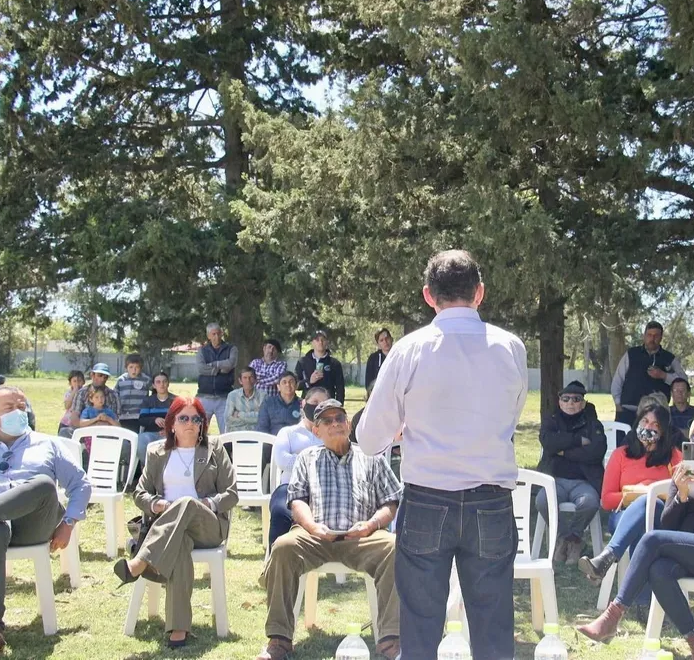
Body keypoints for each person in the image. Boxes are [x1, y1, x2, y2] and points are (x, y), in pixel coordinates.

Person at [357, 249, 528, 660]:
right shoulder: (511, 347)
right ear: (479, 293)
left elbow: (369, 439)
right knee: (494, 626)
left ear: (428, 295)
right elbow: (512, 412)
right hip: (491, 499)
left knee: (420, 628)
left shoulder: (409, 349)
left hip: (428, 497)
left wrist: (401, 428)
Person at [577, 410, 694, 660]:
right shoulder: (683, 471)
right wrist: (682, 495)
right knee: (659, 570)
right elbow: (668, 523)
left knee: (652, 539)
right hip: (691, 549)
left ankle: (612, 616)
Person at [0, 386, 91, 656]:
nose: (19, 412)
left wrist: (69, 523)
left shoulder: (49, 444)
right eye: (10, 408)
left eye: (22, 406)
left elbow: (80, 485)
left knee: (44, 485)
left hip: (33, 525)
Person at [256, 399, 401, 660]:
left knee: (393, 547)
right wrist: (312, 526)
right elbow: (297, 499)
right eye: (327, 420)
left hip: (361, 537)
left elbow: (391, 501)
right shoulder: (307, 458)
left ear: (348, 424)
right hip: (315, 535)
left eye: (339, 419)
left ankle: (390, 641)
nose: (335, 424)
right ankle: (279, 641)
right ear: (316, 430)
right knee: (283, 547)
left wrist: (371, 525)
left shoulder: (371, 456)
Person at [118, 396, 238, 649]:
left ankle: (140, 562)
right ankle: (178, 628)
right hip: (169, 530)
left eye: (197, 418)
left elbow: (231, 493)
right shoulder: (156, 452)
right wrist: (159, 505)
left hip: (208, 525)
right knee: (180, 541)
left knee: (186, 503)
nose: (191, 423)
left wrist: (205, 504)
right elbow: (140, 494)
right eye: (183, 418)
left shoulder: (214, 449)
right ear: (172, 423)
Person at [578, 402, 682, 582]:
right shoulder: (621, 455)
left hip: (662, 516)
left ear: (664, 431)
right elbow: (607, 500)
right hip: (622, 517)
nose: (648, 427)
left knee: (650, 506)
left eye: (655, 424)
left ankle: (607, 557)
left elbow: (682, 494)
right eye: (645, 421)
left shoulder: (674, 456)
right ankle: (642, 605)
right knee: (643, 531)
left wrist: (649, 494)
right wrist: (636, 494)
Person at [535, 381, 606, 564]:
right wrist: (577, 440)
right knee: (542, 500)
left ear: (582, 403)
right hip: (554, 479)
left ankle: (573, 538)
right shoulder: (552, 419)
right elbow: (548, 442)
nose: (570, 403)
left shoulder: (592, 422)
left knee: (589, 503)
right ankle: (566, 537)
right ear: (560, 402)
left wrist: (563, 451)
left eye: (576, 399)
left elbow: (596, 451)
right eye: (566, 399)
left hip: (584, 481)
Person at [266, 387, 328, 545]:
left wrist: (298, 459)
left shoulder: (331, 435)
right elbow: (282, 460)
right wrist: (315, 462)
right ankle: (274, 565)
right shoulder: (288, 433)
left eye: (323, 404)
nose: (318, 407)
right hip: (289, 488)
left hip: (323, 491)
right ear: (303, 403)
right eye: (314, 402)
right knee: (281, 513)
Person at [610, 320, 687, 427]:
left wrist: (663, 375)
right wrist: (618, 404)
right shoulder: (631, 354)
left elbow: (683, 381)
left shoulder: (669, 358)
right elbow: (618, 380)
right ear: (644, 336)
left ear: (661, 337)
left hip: (657, 413)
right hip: (628, 411)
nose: (652, 339)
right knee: (624, 442)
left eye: (656, 336)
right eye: (649, 335)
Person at [196, 323, 238, 434]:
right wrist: (218, 370)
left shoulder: (231, 349)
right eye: (213, 334)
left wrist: (212, 364)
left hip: (224, 397)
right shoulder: (202, 351)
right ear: (208, 336)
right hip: (204, 397)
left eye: (219, 333)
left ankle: (227, 451)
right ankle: (201, 452)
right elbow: (201, 368)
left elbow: (230, 364)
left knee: (226, 433)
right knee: (199, 433)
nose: (217, 337)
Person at [136, 372, 176, 467]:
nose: (161, 384)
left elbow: (182, 420)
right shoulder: (148, 401)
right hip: (151, 434)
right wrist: (155, 419)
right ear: (154, 385)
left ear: (168, 383)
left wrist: (169, 430)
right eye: (158, 382)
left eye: (164, 381)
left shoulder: (176, 400)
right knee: (140, 440)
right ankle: (149, 469)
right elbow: (142, 420)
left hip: (170, 434)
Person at [294, 330, 345, 404]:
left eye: (323, 340)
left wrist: (338, 405)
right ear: (312, 343)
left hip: (327, 404)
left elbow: (340, 387)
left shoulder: (334, 363)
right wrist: (309, 381)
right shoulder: (302, 362)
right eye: (317, 340)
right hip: (308, 403)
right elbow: (296, 385)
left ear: (327, 342)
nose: (320, 342)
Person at [69, 363, 121, 429]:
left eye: (105, 377)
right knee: (64, 431)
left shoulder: (113, 395)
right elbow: (75, 418)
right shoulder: (81, 393)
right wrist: (94, 425)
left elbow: (116, 420)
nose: (103, 379)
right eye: (100, 375)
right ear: (92, 375)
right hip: (85, 430)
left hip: (108, 431)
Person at [114, 353, 152, 434]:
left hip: (140, 415)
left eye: (137, 367)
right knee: (125, 436)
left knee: (137, 437)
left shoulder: (146, 380)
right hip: (124, 416)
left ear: (141, 368)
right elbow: (115, 395)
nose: (134, 370)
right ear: (126, 367)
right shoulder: (121, 380)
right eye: (131, 367)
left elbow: (155, 391)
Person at [257, 371, 302, 436]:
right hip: (272, 441)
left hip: (295, 441)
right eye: (284, 382)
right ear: (278, 387)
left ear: (296, 385)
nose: (288, 385)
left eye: (291, 382)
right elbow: (262, 427)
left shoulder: (302, 403)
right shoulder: (268, 402)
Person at [225, 367, 266, 434]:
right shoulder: (232, 395)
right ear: (240, 381)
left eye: (251, 377)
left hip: (256, 435)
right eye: (245, 378)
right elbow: (228, 420)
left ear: (255, 380)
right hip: (236, 435)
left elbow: (263, 418)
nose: (248, 380)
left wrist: (240, 414)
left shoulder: (263, 395)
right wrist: (253, 419)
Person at [57, 370, 85, 438]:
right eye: (74, 381)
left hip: (79, 422)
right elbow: (67, 406)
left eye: (79, 381)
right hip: (66, 422)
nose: (77, 383)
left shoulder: (85, 393)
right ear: (70, 383)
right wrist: (74, 392)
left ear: (83, 382)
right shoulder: (68, 393)